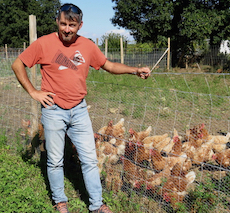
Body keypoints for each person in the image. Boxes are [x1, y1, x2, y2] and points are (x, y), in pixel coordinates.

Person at [11, 3, 151, 213]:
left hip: (79, 110)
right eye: (63, 24)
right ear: (58, 22)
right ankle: (60, 200)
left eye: (72, 25)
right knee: (55, 160)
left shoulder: (87, 45)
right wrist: (33, 92)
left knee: (89, 159)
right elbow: (17, 64)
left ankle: (97, 205)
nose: (67, 29)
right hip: (53, 110)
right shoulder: (44, 43)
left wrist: (135, 70)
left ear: (80, 25)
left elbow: (109, 65)